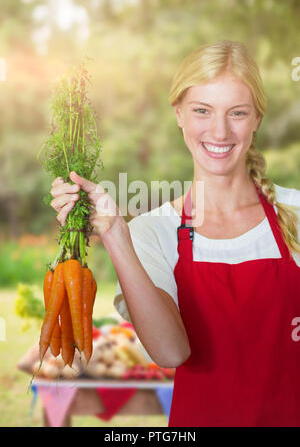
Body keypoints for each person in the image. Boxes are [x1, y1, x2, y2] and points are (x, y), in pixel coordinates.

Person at [50, 39, 300, 427]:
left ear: (256, 119)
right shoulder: (152, 231)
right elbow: (170, 351)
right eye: (202, 111)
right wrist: (115, 233)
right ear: (179, 113)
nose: (219, 131)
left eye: (237, 113)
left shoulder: (296, 211)